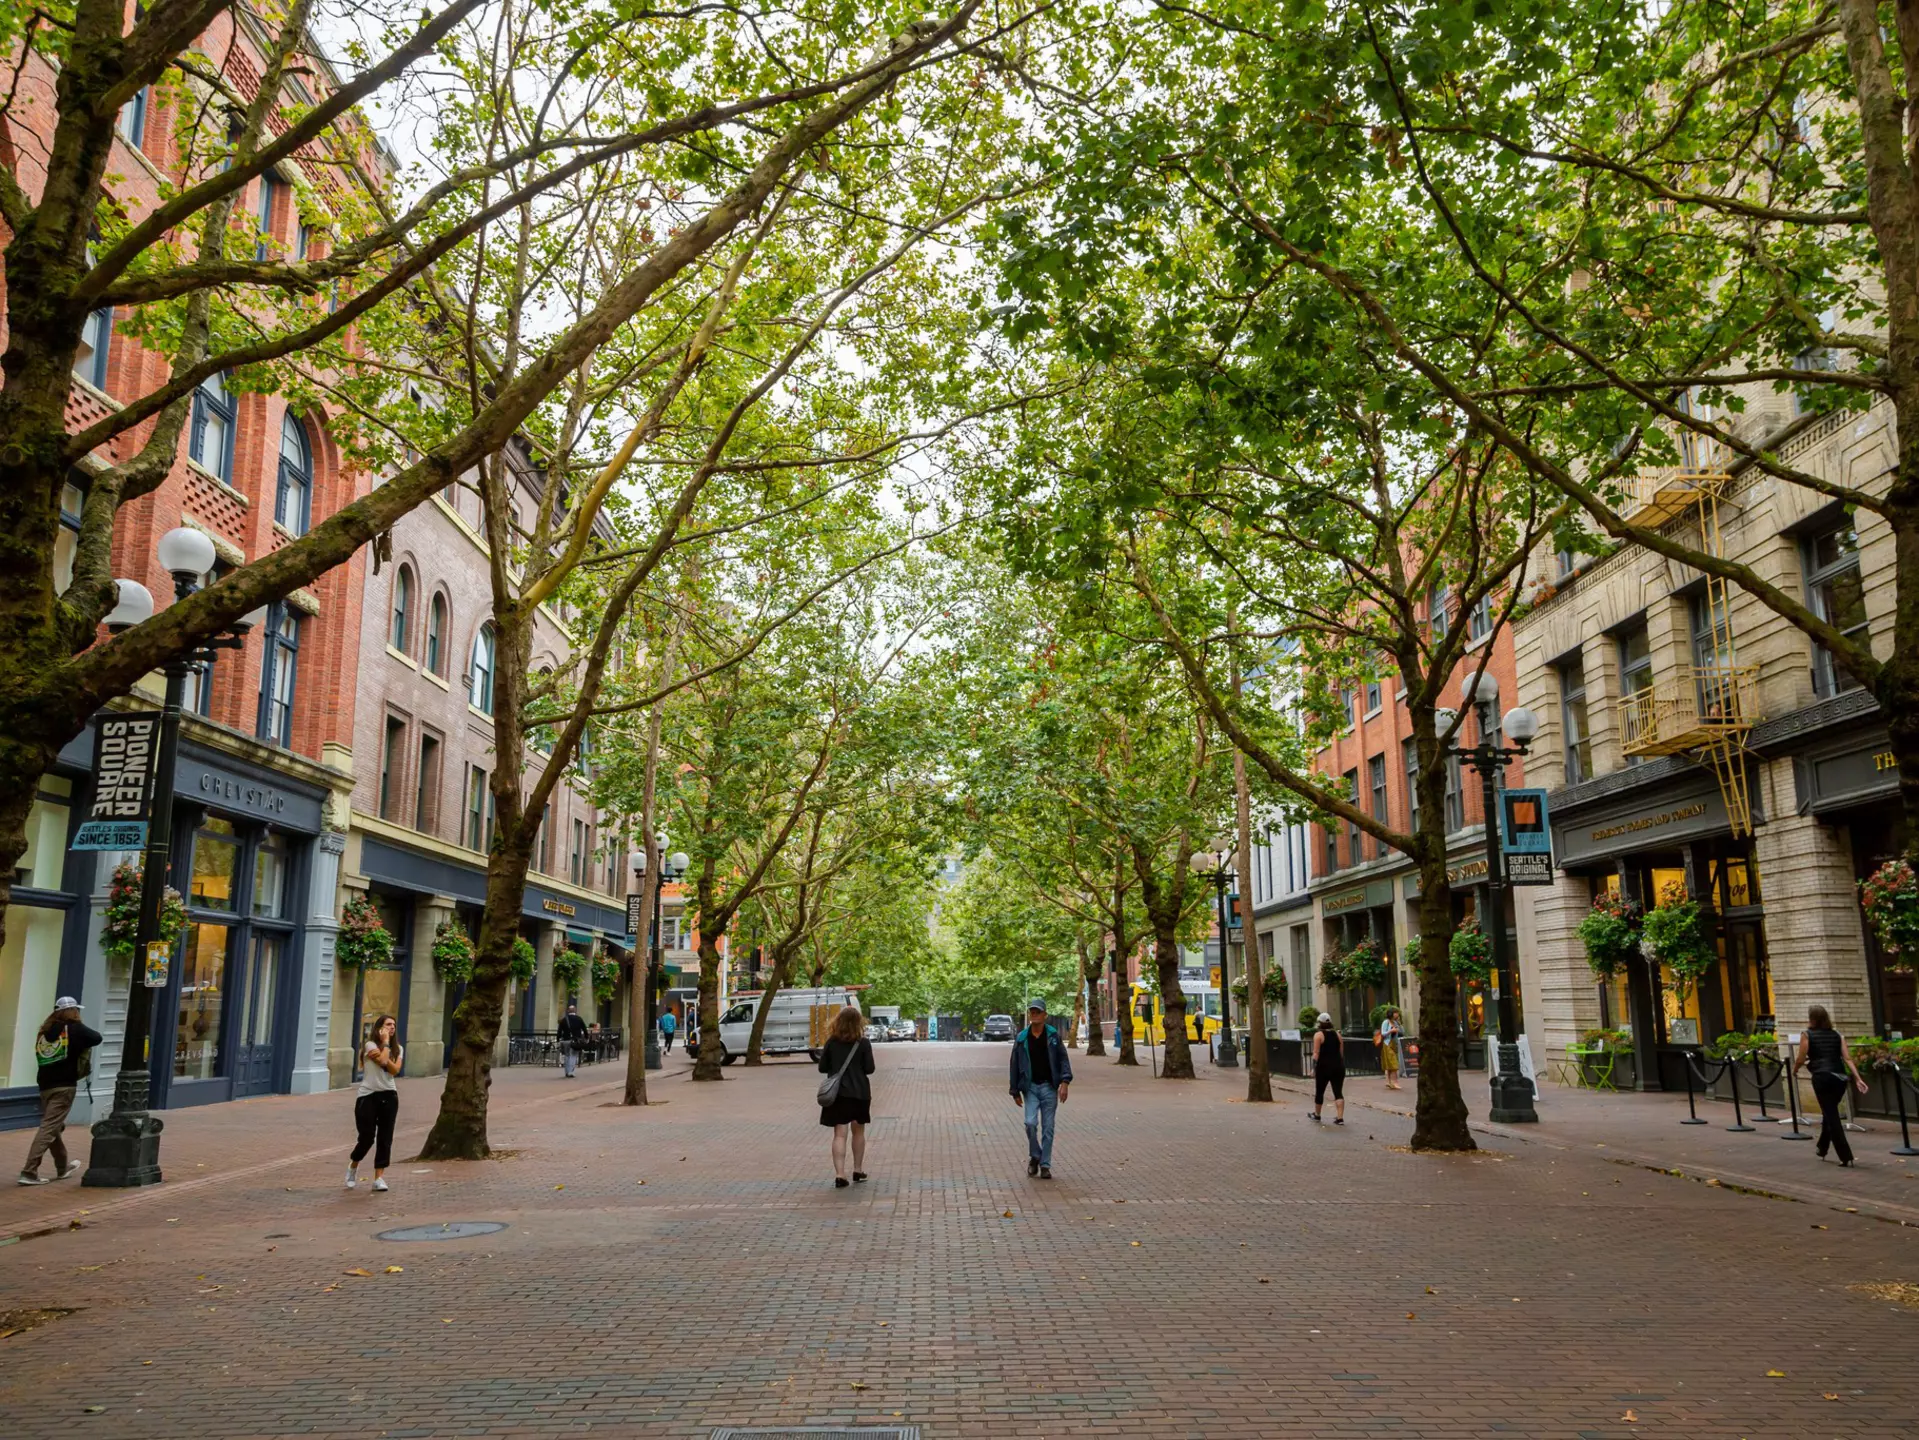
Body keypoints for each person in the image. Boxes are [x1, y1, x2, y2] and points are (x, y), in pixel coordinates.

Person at [18, 997, 102, 1185]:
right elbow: (96, 1038)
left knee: (52, 1125)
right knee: (49, 1127)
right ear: (74, 1011)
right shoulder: (74, 1028)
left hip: (45, 1086)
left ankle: (63, 1167)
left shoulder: (45, 1031)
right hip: (64, 1086)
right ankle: (29, 1172)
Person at [1793, 1004, 1868, 1166]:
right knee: (1830, 1111)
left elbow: (1801, 1057)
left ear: (1812, 1019)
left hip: (1822, 1077)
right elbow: (1847, 1058)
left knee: (1832, 1116)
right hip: (1840, 1078)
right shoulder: (1837, 1035)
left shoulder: (1807, 1035)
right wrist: (1857, 1078)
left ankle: (1845, 1155)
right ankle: (1822, 1146)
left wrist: (1795, 1069)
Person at [1009, 1001, 1073, 1179]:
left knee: (1048, 1128)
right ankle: (1035, 1155)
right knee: (1030, 1124)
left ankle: (1045, 1165)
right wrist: (1014, 1090)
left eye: (1038, 1012)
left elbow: (1063, 1059)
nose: (1035, 1014)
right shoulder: (1022, 1038)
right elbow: (1014, 1064)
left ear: (1045, 1015)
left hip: (1049, 1087)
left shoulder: (1053, 1035)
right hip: (1030, 1088)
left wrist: (1065, 1082)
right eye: (1032, 1012)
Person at [816, 1005, 875, 1187]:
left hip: (838, 1094)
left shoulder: (832, 1042)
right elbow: (870, 1069)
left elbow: (822, 1067)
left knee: (839, 1134)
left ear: (838, 1022)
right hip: (860, 1094)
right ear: (859, 1023)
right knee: (858, 1132)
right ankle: (857, 1169)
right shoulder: (863, 1043)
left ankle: (840, 1174)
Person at [347, 1015, 403, 1192]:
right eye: (388, 1025)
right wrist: (385, 1044)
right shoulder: (370, 1045)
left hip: (389, 1095)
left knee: (385, 1138)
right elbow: (385, 1062)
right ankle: (353, 1165)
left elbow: (395, 1070)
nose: (391, 1027)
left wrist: (386, 1056)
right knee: (366, 1137)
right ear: (379, 1028)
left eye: (393, 1024)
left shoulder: (399, 1048)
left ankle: (379, 1178)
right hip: (368, 1096)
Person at [1311, 1012, 1345, 1124]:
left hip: (1323, 1067)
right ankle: (1340, 1118)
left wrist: (1314, 1068)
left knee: (1320, 1091)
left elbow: (1316, 1053)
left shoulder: (1318, 1035)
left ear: (1319, 1023)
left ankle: (1317, 1115)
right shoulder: (1338, 1035)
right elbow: (1341, 1052)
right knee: (1338, 1091)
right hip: (1338, 1066)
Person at [557, 1001, 588, 1078]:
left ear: (568, 1011)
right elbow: (584, 1029)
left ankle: (567, 1071)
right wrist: (586, 1037)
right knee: (573, 1056)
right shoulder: (579, 1019)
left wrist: (558, 1039)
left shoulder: (564, 1020)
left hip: (565, 1040)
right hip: (575, 1041)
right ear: (575, 1011)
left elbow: (559, 1031)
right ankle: (571, 1071)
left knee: (567, 1056)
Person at [1376, 1007, 1404, 1091]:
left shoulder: (1395, 1022)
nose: (1397, 1014)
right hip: (1387, 1044)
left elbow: (1402, 1032)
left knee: (1389, 1064)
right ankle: (1394, 1082)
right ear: (1391, 1013)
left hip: (1394, 1045)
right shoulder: (1386, 1022)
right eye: (1396, 1013)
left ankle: (1389, 1082)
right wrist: (1391, 1031)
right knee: (1393, 1064)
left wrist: (1399, 1025)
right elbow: (1383, 1033)